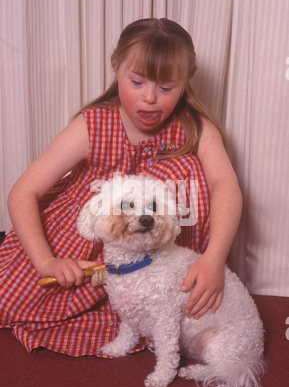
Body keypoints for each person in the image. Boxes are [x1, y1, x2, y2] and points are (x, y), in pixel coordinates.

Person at [0, 18, 242, 357]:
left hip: (157, 267)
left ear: (185, 83)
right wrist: (47, 262)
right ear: (117, 68)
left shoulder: (195, 129)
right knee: (14, 299)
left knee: (192, 173)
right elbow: (23, 192)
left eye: (166, 88)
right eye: (137, 81)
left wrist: (214, 259)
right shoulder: (93, 125)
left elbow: (225, 186)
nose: (150, 98)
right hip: (86, 255)